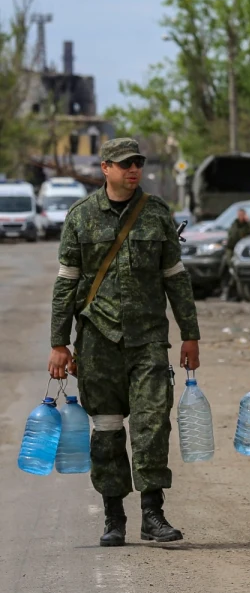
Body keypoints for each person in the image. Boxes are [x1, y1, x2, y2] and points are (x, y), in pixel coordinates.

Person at [48, 137, 201, 547]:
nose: (133, 169)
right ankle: (113, 518)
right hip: (97, 341)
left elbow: (175, 278)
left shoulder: (156, 214)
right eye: (124, 163)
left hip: (148, 339)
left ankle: (153, 514)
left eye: (137, 163)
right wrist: (59, 343)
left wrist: (190, 334)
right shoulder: (80, 218)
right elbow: (66, 285)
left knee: (152, 425)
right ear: (105, 168)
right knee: (108, 429)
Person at [220, 208, 250, 301]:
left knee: (237, 273)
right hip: (232, 251)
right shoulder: (235, 225)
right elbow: (232, 239)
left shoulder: (248, 225)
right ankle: (228, 292)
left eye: (243, 215)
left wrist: (248, 222)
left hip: (242, 252)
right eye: (240, 215)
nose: (241, 217)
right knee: (232, 271)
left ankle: (235, 293)